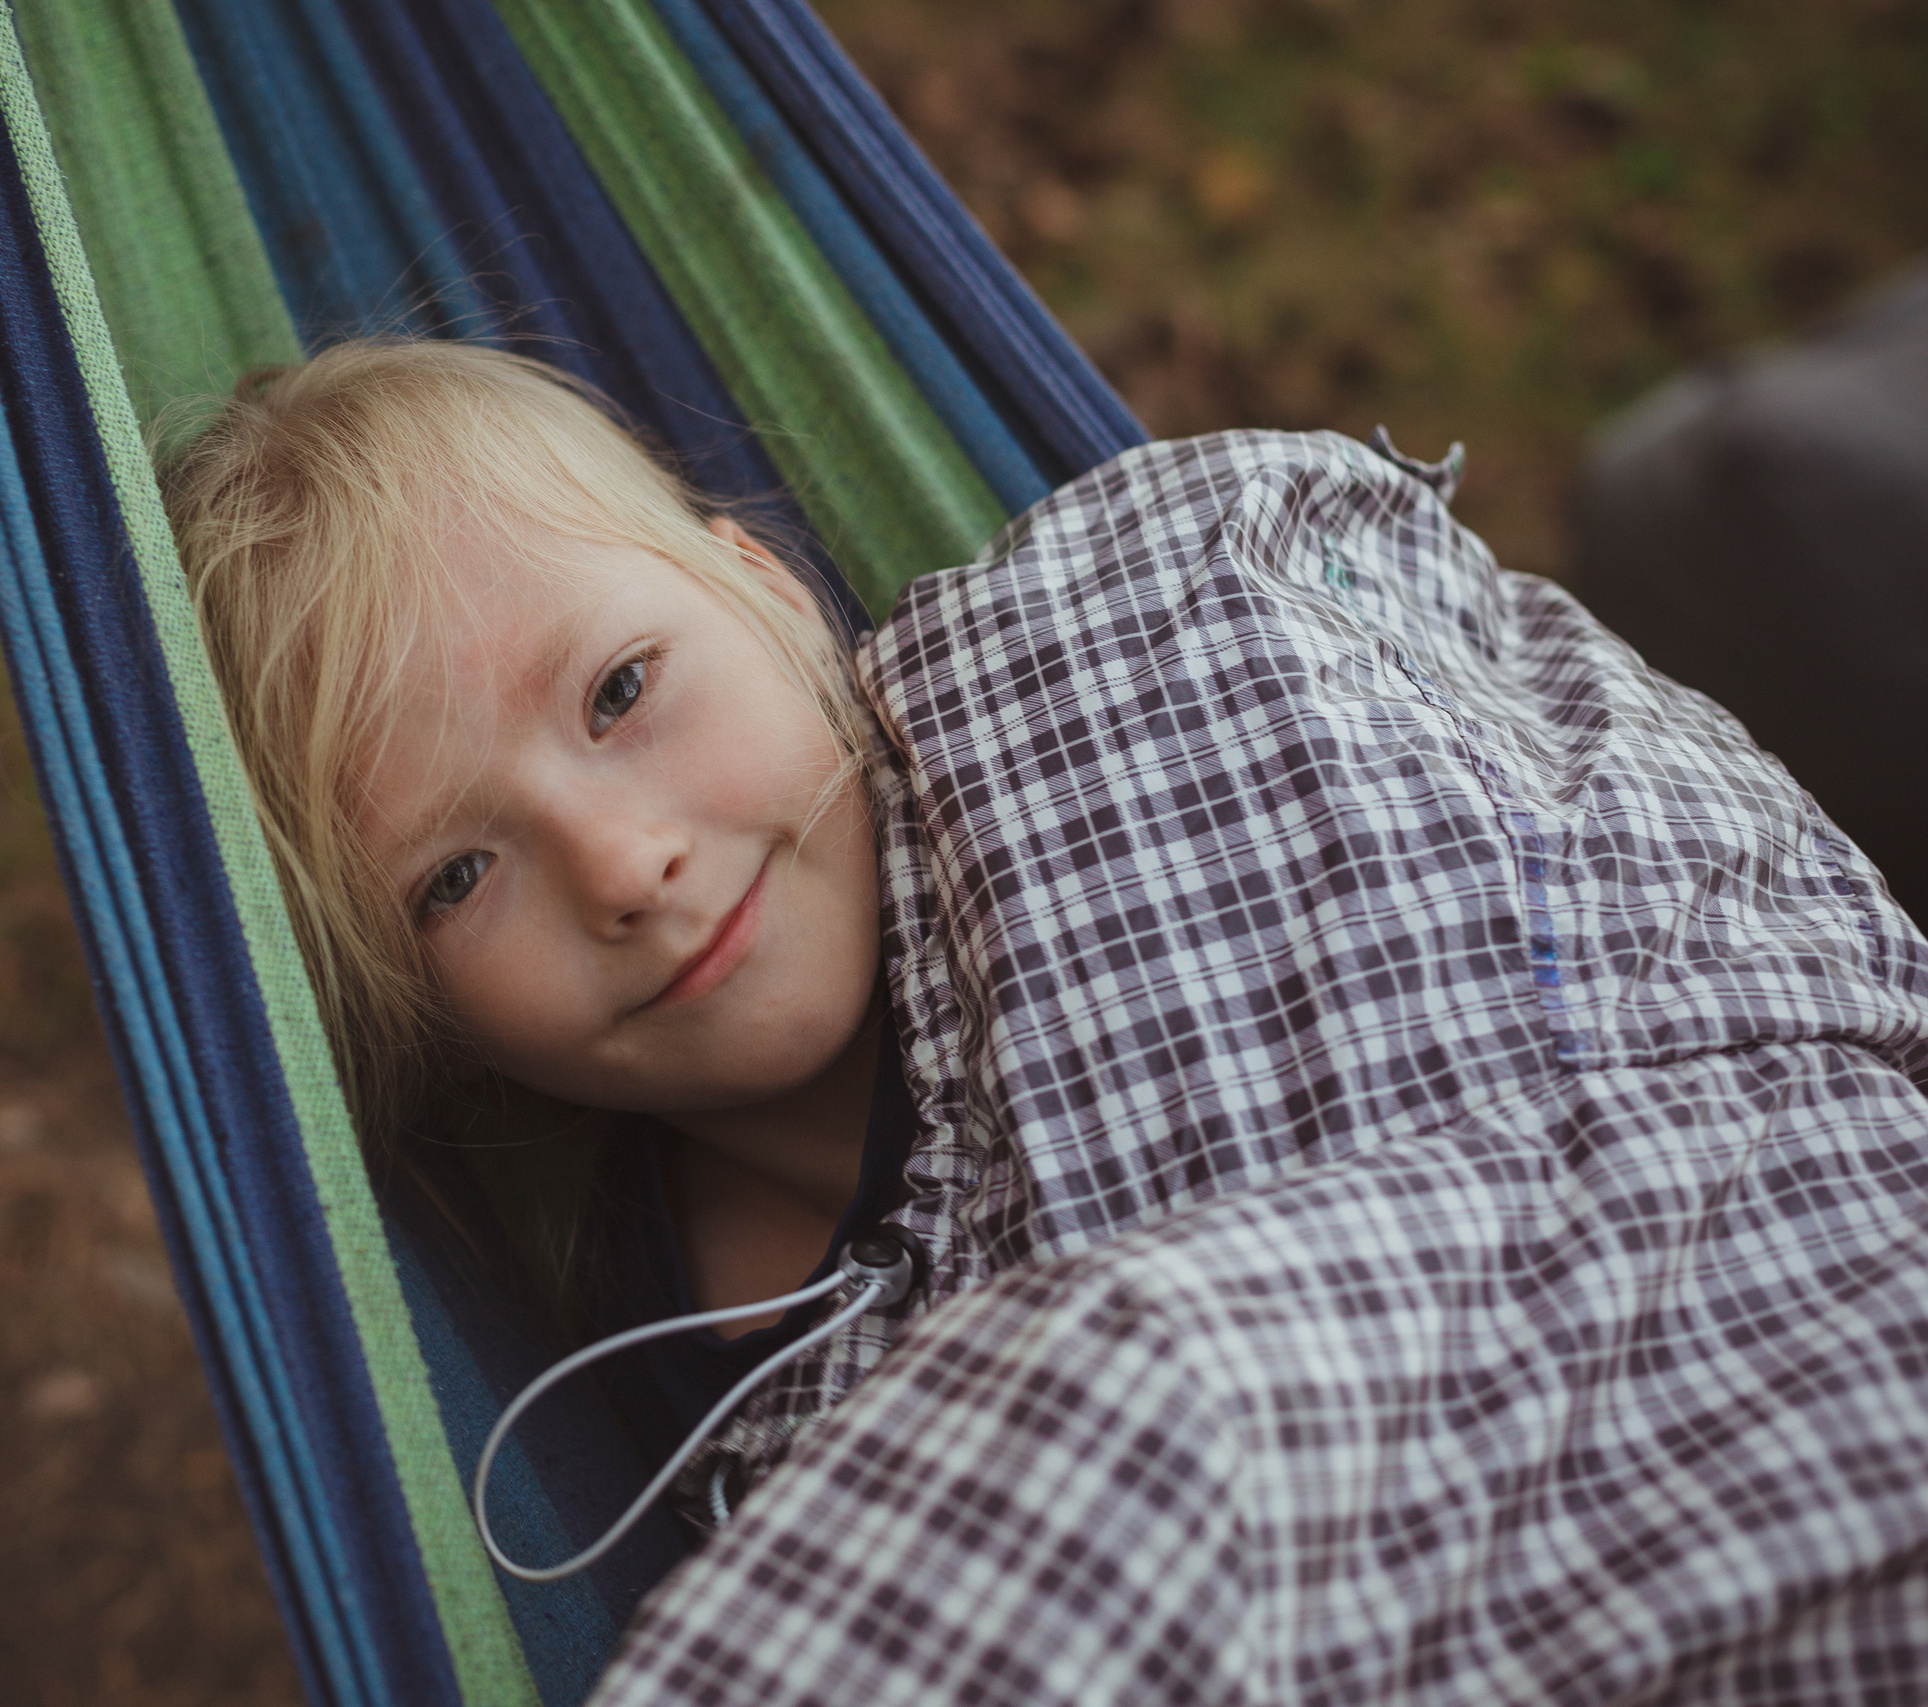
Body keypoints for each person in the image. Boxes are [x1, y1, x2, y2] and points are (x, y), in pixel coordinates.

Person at [160, 339, 1928, 1703]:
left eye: (625, 689)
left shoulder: (1129, 679)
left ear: (769, 595)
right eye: (455, 880)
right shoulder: (647, 1402)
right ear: (414, 1016)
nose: (623, 864)